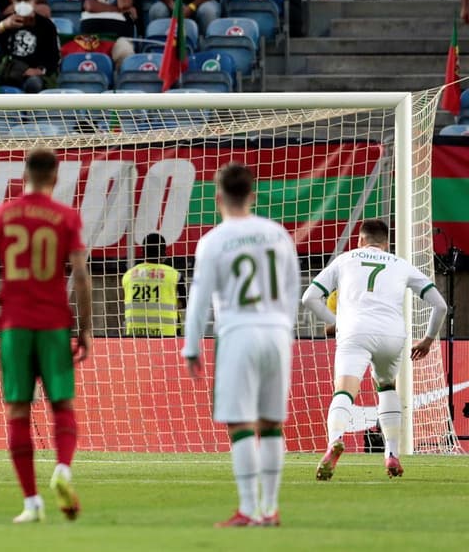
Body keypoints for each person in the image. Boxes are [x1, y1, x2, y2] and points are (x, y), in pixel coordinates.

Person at [0, 148, 92, 524]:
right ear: (55, 177)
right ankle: (64, 470)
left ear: (24, 175)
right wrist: (85, 328)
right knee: (62, 406)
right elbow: (81, 276)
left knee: (18, 411)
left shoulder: (1, 215)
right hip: (54, 324)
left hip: (14, 327)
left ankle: (31, 503)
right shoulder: (66, 217)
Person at [182, 163, 300, 527]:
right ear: (252, 195)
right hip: (278, 332)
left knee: (240, 423)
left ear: (217, 196)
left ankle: (249, 509)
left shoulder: (214, 240)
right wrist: (285, 328)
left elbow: (199, 298)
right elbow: (294, 286)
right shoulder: (278, 234)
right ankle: (271, 508)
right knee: (271, 423)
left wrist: (191, 346)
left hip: (239, 332)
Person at [301, 219, 448, 481]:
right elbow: (440, 306)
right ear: (387, 243)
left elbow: (309, 297)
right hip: (392, 334)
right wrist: (427, 340)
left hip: (355, 331)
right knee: (387, 387)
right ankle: (391, 454)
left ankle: (334, 441)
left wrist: (337, 322)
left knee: (345, 390)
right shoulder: (401, 264)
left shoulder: (346, 259)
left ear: (360, 240)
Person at [0, 0, 59, 93]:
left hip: (32, 73)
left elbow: (54, 57)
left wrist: (40, 70)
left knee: (33, 84)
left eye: (26, 0)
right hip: (8, 71)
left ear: (34, 1)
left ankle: (29, 110)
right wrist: (3, 26)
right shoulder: (4, 21)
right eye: (18, 0)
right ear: (13, 2)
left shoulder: (46, 25)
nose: (22, 4)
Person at [78, 0, 140, 67]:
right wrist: (118, 10)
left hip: (119, 40)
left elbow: (124, 4)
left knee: (126, 53)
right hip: (90, 39)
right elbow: (90, 6)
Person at [121, 233, 181, 337]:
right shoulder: (175, 275)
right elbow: (183, 304)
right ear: (163, 253)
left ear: (143, 252)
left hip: (134, 335)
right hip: (166, 334)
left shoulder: (128, 275)